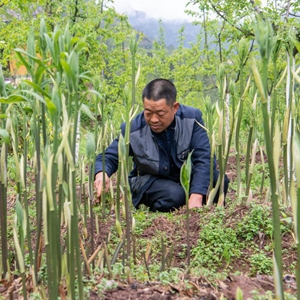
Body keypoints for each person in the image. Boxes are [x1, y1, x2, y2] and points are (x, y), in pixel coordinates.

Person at [94, 78, 229, 212]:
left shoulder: (192, 119)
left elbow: (203, 159)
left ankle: (192, 203)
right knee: (175, 195)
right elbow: (108, 157)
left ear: (174, 107)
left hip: (184, 178)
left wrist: (196, 195)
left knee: (219, 181)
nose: (153, 119)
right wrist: (102, 173)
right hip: (151, 182)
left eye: (160, 113)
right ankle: (159, 205)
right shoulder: (133, 128)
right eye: (148, 113)